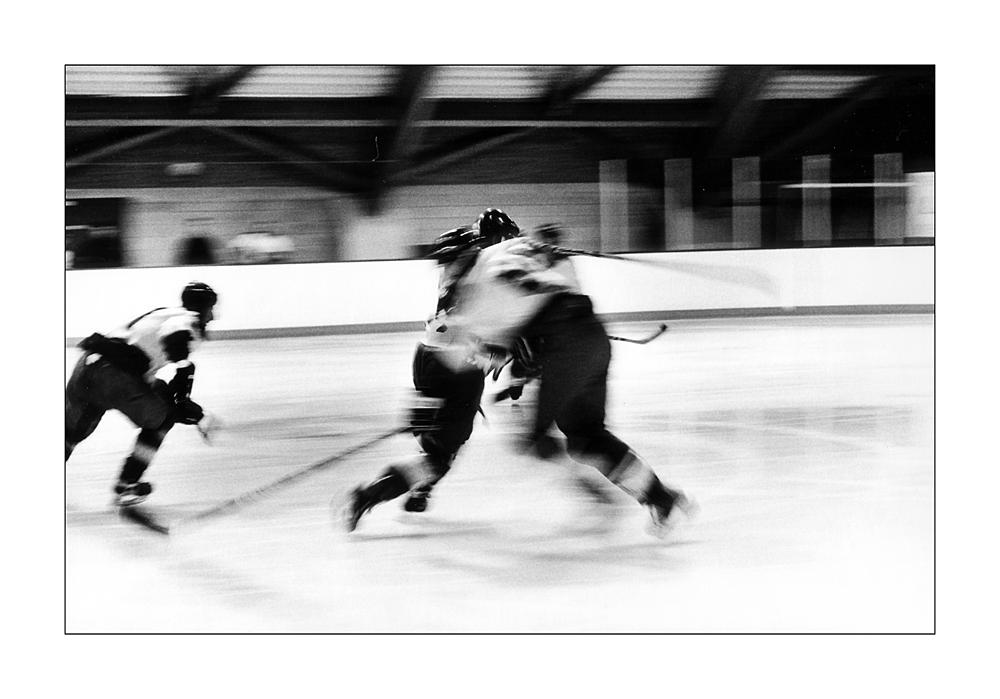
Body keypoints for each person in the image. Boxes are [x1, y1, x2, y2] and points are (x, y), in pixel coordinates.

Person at [451, 228, 693, 536]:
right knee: (587, 435)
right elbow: (551, 269)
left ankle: (594, 491)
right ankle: (662, 499)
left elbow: (494, 353)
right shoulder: (516, 247)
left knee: (534, 438)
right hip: (592, 335)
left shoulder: (475, 289)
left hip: (563, 347)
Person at [343, 209, 520, 531]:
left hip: (427, 357)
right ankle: (370, 494)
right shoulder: (487, 266)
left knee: (429, 438)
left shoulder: (463, 258)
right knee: (439, 457)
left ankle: (421, 489)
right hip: (459, 366)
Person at [65, 281, 220, 506]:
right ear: (202, 309)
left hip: (88, 365)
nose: (212, 316)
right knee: (163, 419)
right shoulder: (186, 320)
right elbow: (176, 335)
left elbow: (163, 387)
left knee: (70, 434)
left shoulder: (163, 313)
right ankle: (127, 484)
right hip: (114, 377)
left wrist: (192, 409)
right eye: (210, 310)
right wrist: (186, 374)